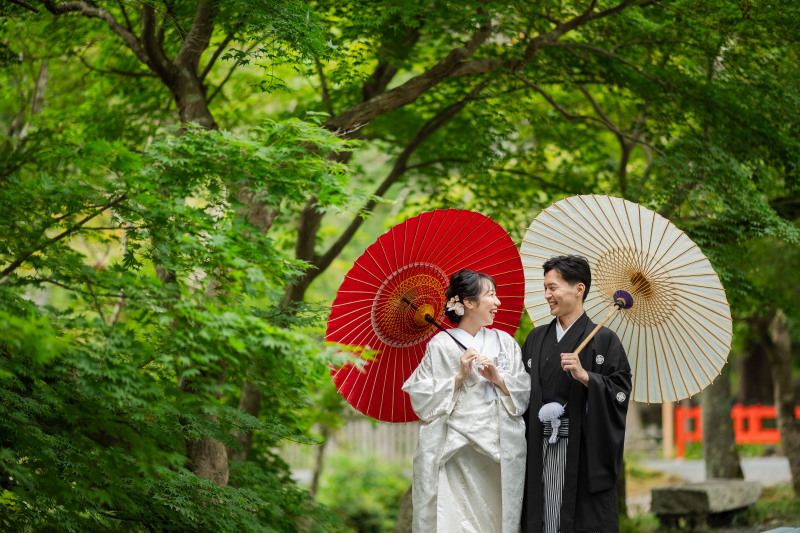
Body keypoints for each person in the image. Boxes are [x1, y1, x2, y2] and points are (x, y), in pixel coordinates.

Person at [402, 269, 531, 532]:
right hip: (456, 449)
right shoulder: (441, 345)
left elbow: (524, 389)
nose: (497, 302)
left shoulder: (505, 342)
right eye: (491, 295)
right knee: (453, 520)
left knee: (496, 518)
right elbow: (422, 395)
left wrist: (498, 378)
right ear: (469, 302)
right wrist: (458, 377)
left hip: (499, 446)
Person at [521, 255, 631, 533]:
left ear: (579, 289)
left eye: (553, 287)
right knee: (543, 518)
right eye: (545, 288)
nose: (547, 295)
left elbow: (620, 392)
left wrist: (586, 377)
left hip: (581, 450)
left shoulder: (605, 340)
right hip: (538, 445)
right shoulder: (535, 338)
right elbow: (520, 393)